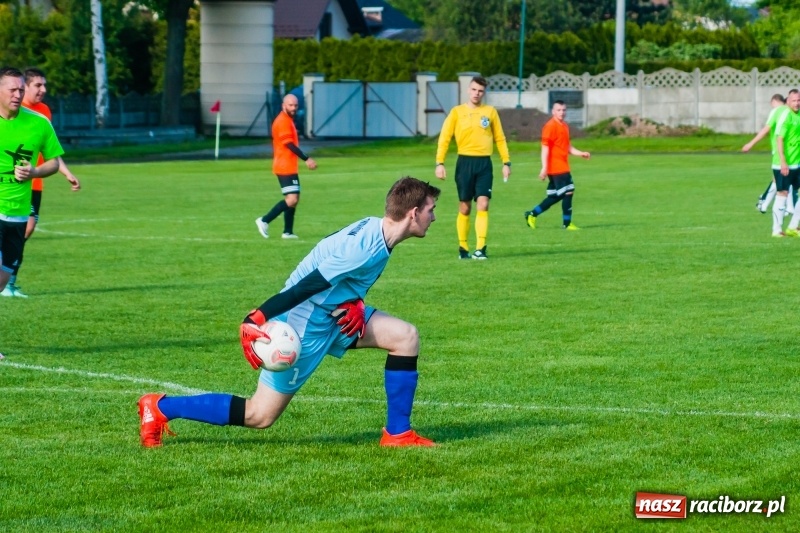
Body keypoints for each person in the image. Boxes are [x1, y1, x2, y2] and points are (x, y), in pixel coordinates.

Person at [138, 177, 441, 448]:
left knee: (405, 336)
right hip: (305, 322)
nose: (434, 217)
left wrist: (356, 302)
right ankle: (161, 407)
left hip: (335, 314)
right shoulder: (364, 247)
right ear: (413, 212)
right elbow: (304, 287)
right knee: (260, 415)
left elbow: (328, 254)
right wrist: (257, 317)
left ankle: (398, 434)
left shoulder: (377, 228)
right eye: (430, 209)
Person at [2, 67, 81, 298]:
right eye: (12, 89)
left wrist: (37, 171)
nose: (17, 94)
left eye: (20, 89)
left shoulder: (40, 119)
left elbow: (53, 160)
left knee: (1, 279)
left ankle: (10, 283)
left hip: (22, 201)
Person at [435, 75, 511, 260]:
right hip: (464, 163)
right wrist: (440, 163)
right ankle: (463, 248)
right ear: (468, 90)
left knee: (483, 203)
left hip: (484, 163)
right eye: (474, 90)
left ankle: (480, 248)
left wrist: (506, 162)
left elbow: (500, 138)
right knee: (465, 207)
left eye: (481, 91)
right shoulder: (456, 112)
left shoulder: (490, 112)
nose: (477, 93)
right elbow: (445, 138)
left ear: (484, 93)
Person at [255, 94, 316, 240]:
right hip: (284, 166)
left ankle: (287, 232)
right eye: (291, 105)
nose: (294, 108)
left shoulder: (288, 120)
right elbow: (289, 144)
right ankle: (264, 220)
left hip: (289, 166)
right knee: (292, 199)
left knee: (295, 198)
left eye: (295, 105)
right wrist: (306, 159)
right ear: (284, 105)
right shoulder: (282, 121)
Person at [524, 100, 590, 231]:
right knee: (568, 191)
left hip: (563, 166)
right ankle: (567, 224)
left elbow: (568, 146)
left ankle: (532, 214)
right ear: (553, 111)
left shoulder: (564, 126)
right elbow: (545, 148)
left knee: (556, 196)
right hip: (556, 167)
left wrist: (580, 153)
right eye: (559, 110)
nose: (562, 113)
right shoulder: (550, 126)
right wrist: (544, 167)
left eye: (564, 110)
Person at [742, 93, 793, 215]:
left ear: (773, 102)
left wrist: (751, 143)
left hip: (788, 151)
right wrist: (751, 143)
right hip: (782, 151)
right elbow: (767, 129)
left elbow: (767, 129)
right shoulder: (783, 111)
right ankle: (783, 206)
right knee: (786, 178)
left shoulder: (783, 112)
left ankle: (766, 203)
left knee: (781, 179)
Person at [771, 90, 800, 237]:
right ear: (788, 101)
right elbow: (779, 139)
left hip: (797, 163)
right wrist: (783, 161)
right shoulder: (786, 116)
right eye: (794, 100)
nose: (797, 103)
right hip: (782, 164)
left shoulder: (798, 116)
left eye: (799, 100)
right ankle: (776, 230)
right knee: (782, 194)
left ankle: (793, 226)